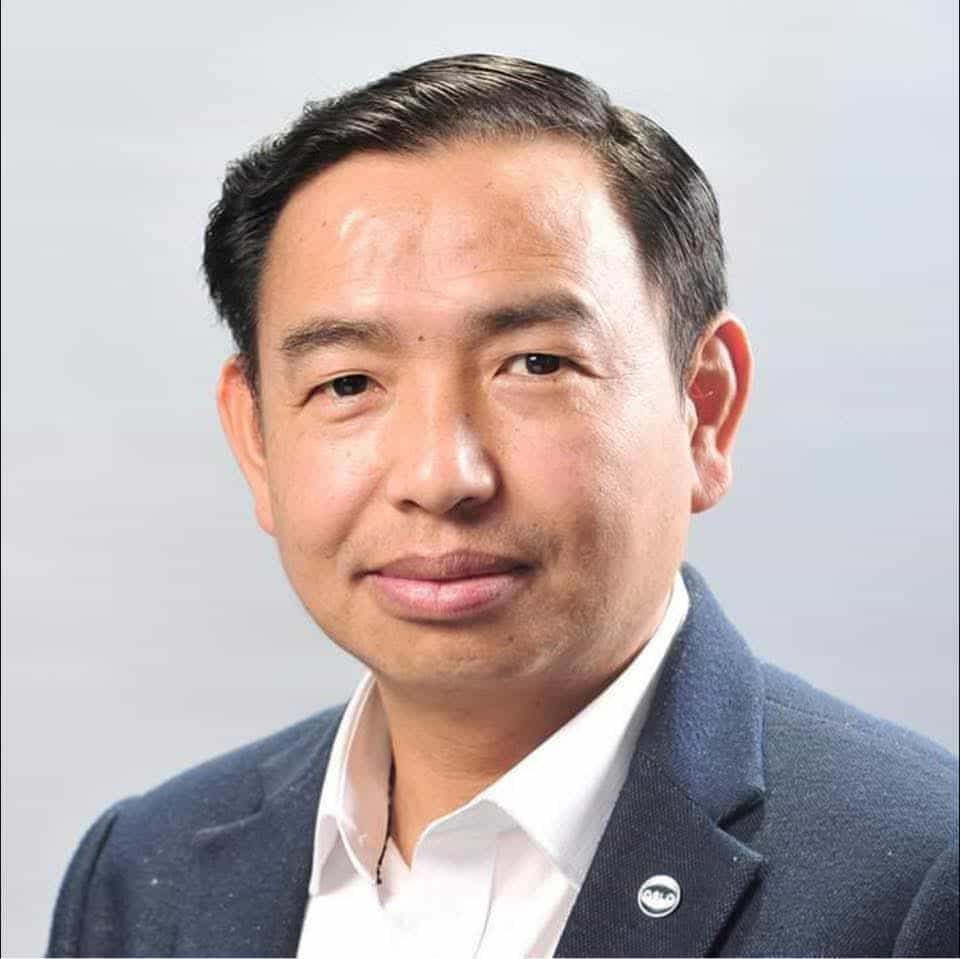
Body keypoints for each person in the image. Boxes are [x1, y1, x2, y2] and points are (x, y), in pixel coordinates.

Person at [47, 54, 958, 958]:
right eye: (349, 382)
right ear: (256, 440)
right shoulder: (145, 871)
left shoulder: (918, 883)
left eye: (535, 365)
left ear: (703, 409)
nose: (441, 475)